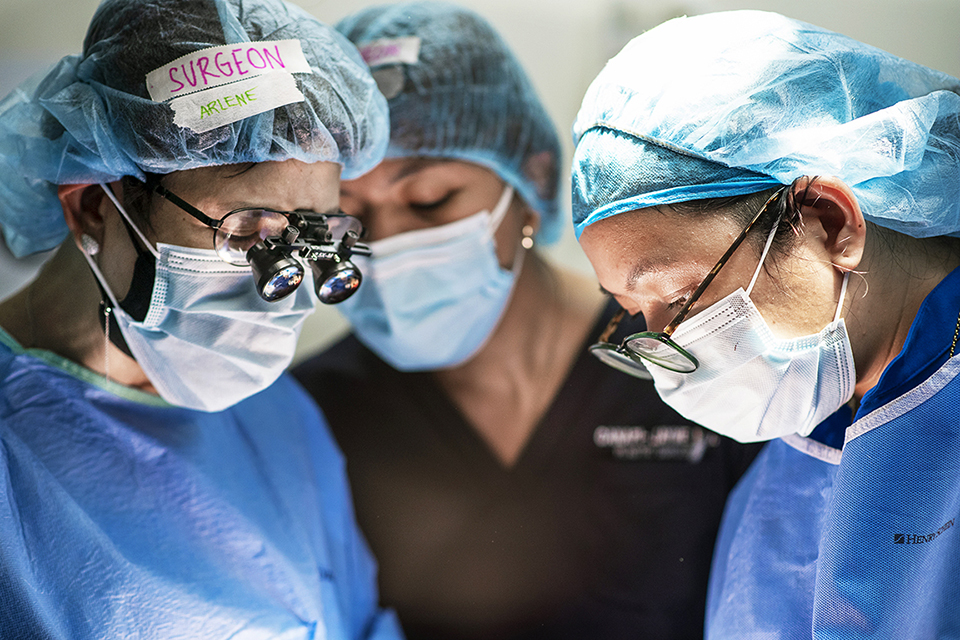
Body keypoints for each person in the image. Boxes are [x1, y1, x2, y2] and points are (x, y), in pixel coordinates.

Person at [292, 4, 763, 639]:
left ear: (533, 177)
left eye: (430, 200)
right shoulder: (312, 413)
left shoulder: (684, 360)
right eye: (349, 217)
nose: (392, 243)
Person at [0, 0, 404, 638]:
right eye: (248, 231)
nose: (288, 282)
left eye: (317, 236)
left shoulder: (283, 418)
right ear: (94, 210)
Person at [571, 10, 960, 639]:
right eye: (634, 310)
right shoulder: (807, 439)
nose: (670, 354)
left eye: (683, 293)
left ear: (831, 223)